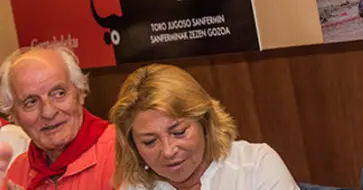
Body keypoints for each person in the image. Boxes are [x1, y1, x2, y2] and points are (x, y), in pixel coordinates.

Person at [110, 63, 298, 189]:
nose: (168, 151)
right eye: (150, 142)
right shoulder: (135, 187)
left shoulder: (255, 165)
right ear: (133, 146)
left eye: (179, 132)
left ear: (204, 122)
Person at [0, 44, 116, 189]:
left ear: (80, 93)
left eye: (59, 94)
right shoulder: (17, 172)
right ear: (13, 116)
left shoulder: (123, 151)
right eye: (31, 102)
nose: (48, 112)